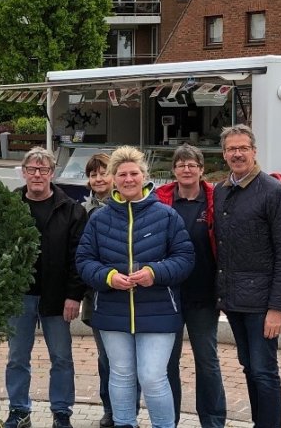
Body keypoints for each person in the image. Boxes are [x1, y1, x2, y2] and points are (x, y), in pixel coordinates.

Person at [76, 145, 194, 428]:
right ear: (114, 178)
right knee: (120, 374)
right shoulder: (99, 218)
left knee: (153, 376)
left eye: (134, 173)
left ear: (145, 176)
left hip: (159, 311)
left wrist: (155, 272)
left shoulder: (166, 216)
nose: (128, 179)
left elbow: (185, 258)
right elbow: (83, 260)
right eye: (122, 174)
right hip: (112, 310)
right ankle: (125, 423)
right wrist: (108, 277)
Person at [0, 147, 86, 428]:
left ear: (52, 173)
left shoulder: (71, 209)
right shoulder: (7, 205)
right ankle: (19, 410)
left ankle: (61, 413)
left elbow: (78, 256)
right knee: (17, 357)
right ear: (23, 172)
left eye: (43, 169)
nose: (37, 175)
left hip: (58, 297)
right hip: (19, 295)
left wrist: (74, 295)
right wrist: (1, 270)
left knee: (61, 357)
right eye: (32, 169)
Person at [213, 125, 281, 428]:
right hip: (234, 301)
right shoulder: (222, 191)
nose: (237, 154)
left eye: (243, 148)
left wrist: (277, 309)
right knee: (249, 368)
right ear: (224, 154)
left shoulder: (274, 192)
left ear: (254, 151)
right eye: (231, 149)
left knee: (264, 371)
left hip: (262, 304)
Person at [155, 144, 227, 427]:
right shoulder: (160, 201)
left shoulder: (215, 201)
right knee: (167, 364)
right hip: (167, 297)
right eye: (181, 164)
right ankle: (168, 420)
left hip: (203, 296)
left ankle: (212, 420)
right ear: (174, 170)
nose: (187, 169)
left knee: (207, 362)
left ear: (201, 169)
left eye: (192, 164)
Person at [79, 152, 127, 428]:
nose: (98, 178)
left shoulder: (128, 207)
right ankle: (110, 409)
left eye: (103, 172)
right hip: (96, 295)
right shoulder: (83, 211)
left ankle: (126, 411)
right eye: (93, 174)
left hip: (129, 293)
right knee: (106, 359)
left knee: (127, 361)